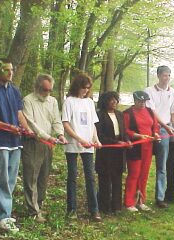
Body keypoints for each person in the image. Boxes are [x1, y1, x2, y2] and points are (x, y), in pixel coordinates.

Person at [0, 58, 31, 232]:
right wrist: (7, 127)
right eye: (6, 70)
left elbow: (19, 113)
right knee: (1, 177)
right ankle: (2, 217)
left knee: (11, 178)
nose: (10, 72)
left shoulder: (15, 90)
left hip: (15, 141)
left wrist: (26, 129)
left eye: (11, 69)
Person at [21, 74, 68, 223]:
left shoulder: (52, 101)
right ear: (37, 87)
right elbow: (31, 123)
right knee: (31, 176)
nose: (47, 93)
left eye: (50, 90)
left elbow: (56, 119)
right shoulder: (27, 100)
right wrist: (48, 137)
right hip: (33, 141)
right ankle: (33, 211)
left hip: (49, 143)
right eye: (44, 89)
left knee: (44, 176)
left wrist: (60, 134)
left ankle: (39, 204)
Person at [62, 73, 102, 222]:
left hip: (88, 145)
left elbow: (92, 124)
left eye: (88, 88)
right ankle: (71, 209)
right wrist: (79, 139)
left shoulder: (90, 102)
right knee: (72, 176)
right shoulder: (69, 101)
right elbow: (66, 124)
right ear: (77, 86)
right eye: (83, 87)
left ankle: (94, 210)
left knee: (90, 177)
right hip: (73, 144)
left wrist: (95, 140)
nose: (86, 90)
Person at [144, 65, 174, 208]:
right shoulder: (149, 91)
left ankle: (160, 197)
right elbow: (152, 112)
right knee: (144, 164)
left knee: (162, 165)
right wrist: (165, 127)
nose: (167, 78)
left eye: (169, 75)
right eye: (164, 75)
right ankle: (139, 196)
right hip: (149, 128)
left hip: (165, 130)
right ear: (159, 76)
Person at [123, 91, 160, 212]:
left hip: (148, 147)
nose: (142, 103)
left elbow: (155, 125)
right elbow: (125, 130)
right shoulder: (128, 113)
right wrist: (137, 135)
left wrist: (155, 133)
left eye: (144, 101)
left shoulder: (149, 111)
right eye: (140, 101)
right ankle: (129, 202)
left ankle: (141, 201)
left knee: (144, 174)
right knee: (134, 174)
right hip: (135, 148)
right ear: (135, 101)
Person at [95, 91, 129, 214]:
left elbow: (123, 132)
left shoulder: (119, 114)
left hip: (118, 152)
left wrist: (127, 141)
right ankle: (104, 206)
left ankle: (116, 206)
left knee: (117, 178)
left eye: (116, 99)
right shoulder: (99, 115)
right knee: (105, 179)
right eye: (111, 99)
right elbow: (100, 135)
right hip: (106, 151)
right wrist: (115, 142)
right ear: (105, 101)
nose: (114, 102)